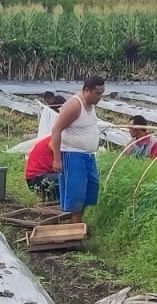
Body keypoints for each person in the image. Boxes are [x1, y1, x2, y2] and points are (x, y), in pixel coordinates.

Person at [50, 76, 106, 224]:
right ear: (86, 90)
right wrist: (57, 159)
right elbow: (56, 130)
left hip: (88, 155)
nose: (100, 97)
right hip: (73, 154)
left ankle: (78, 222)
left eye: (101, 93)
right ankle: (75, 226)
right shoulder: (74, 105)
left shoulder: (91, 104)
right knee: (76, 193)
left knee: (90, 189)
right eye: (97, 93)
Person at [24, 134, 59, 201]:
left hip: (42, 176)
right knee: (67, 180)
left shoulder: (55, 138)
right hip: (36, 178)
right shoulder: (56, 139)